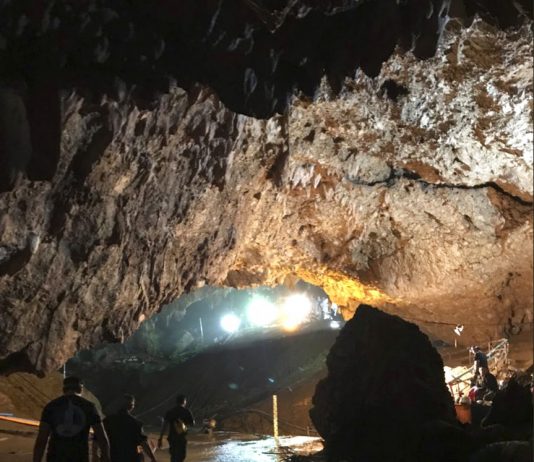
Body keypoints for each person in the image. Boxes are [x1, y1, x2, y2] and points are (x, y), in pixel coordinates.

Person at [33, 376, 111, 462]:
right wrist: (106, 458)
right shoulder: (89, 407)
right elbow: (102, 438)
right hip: (80, 458)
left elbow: (41, 439)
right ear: (81, 389)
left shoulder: (51, 406)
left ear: (64, 389)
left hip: (55, 458)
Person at [104, 394, 157, 462]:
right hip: (131, 457)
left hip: (113, 457)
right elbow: (143, 442)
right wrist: (152, 458)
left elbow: (99, 439)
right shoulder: (136, 423)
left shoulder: (107, 420)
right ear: (131, 406)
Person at [158, 394, 194, 462]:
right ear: (184, 401)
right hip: (181, 438)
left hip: (172, 438)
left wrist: (160, 438)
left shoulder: (170, 412)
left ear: (176, 402)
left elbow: (164, 426)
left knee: (173, 456)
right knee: (181, 456)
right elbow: (192, 424)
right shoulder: (186, 411)